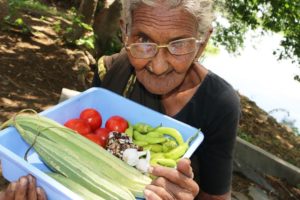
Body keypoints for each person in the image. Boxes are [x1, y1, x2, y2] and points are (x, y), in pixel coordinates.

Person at [0, 0, 240, 199]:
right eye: (144, 40)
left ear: (202, 43)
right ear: (125, 31)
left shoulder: (219, 104)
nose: (157, 66)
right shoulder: (112, 71)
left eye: (178, 44)